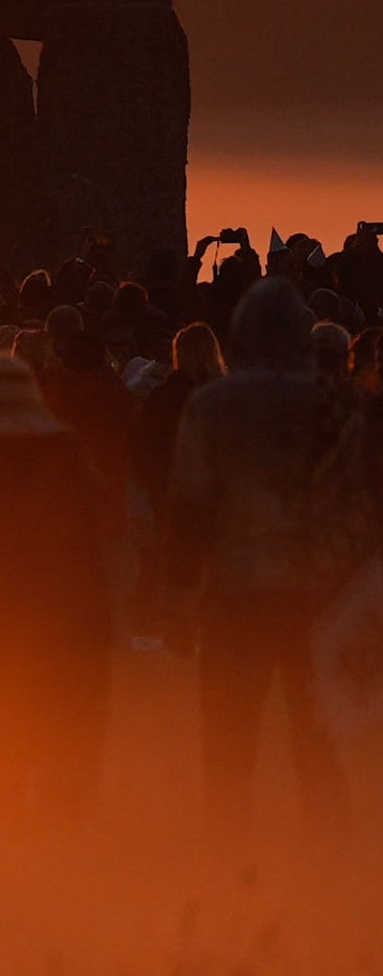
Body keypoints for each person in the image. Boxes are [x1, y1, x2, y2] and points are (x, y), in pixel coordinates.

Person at [166, 276, 354, 835]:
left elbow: (188, 506)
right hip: (319, 601)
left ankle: (229, 846)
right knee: (318, 734)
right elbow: (360, 505)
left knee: (228, 732)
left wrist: (177, 596)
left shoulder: (212, 404)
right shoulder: (335, 403)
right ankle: (330, 849)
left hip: (235, 594)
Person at [0, 352, 121, 823]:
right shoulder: (68, 450)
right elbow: (105, 526)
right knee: (66, 723)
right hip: (71, 617)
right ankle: (63, 823)